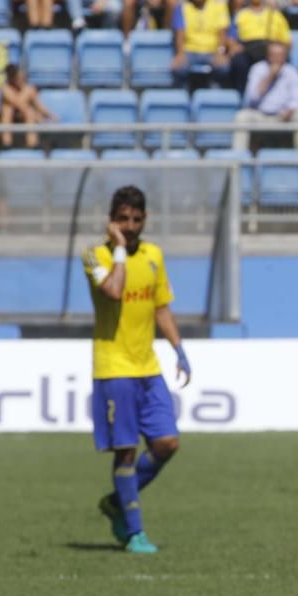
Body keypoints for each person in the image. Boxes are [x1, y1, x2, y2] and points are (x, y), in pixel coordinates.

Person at [82, 186, 191, 555]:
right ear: (112, 219)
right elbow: (114, 290)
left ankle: (115, 501)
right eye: (123, 219)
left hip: (148, 366)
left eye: (137, 219)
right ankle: (134, 532)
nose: (130, 226)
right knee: (126, 451)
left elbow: (161, 307)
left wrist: (179, 348)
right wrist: (117, 250)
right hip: (113, 368)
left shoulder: (154, 255)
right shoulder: (93, 255)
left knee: (167, 443)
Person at [233, 42, 298, 153]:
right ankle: (237, 161)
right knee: (242, 116)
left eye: (280, 55)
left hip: (284, 117)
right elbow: (251, 98)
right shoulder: (257, 69)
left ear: (285, 56)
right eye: (274, 54)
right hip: (260, 115)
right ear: (268, 55)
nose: (277, 58)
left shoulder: (292, 72)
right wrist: (269, 77)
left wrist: (290, 110)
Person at [229, 0, 292, 94]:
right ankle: (243, 94)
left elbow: (287, 41)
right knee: (238, 62)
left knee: (284, 62)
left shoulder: (275, 15)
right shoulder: (241, 15)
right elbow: (231, 38)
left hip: (270, 48)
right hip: (248, 48)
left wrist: (280, 51)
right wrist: (234, 46)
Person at [171, 0, 231, 90]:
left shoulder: (219, 6)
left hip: (212, 51)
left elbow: (222, 32)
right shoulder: (183, 7)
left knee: (223, 67)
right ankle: (183, 96)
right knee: (178, 68)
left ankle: (214, 95)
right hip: (190, 51)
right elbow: (179, 33)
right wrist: (180, 53)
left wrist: (220, 52)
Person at [0, 63, 56, 149]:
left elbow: (39, 105)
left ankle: (32, 143)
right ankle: (6, 142)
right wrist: (37, 116)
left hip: (24, 116)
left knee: (29, 112)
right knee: (8, 109)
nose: (21, 79)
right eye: (18, 77)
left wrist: (50, 115)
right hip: (10, 117)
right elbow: (17, 103)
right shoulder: (5, 89)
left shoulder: (28, 89)